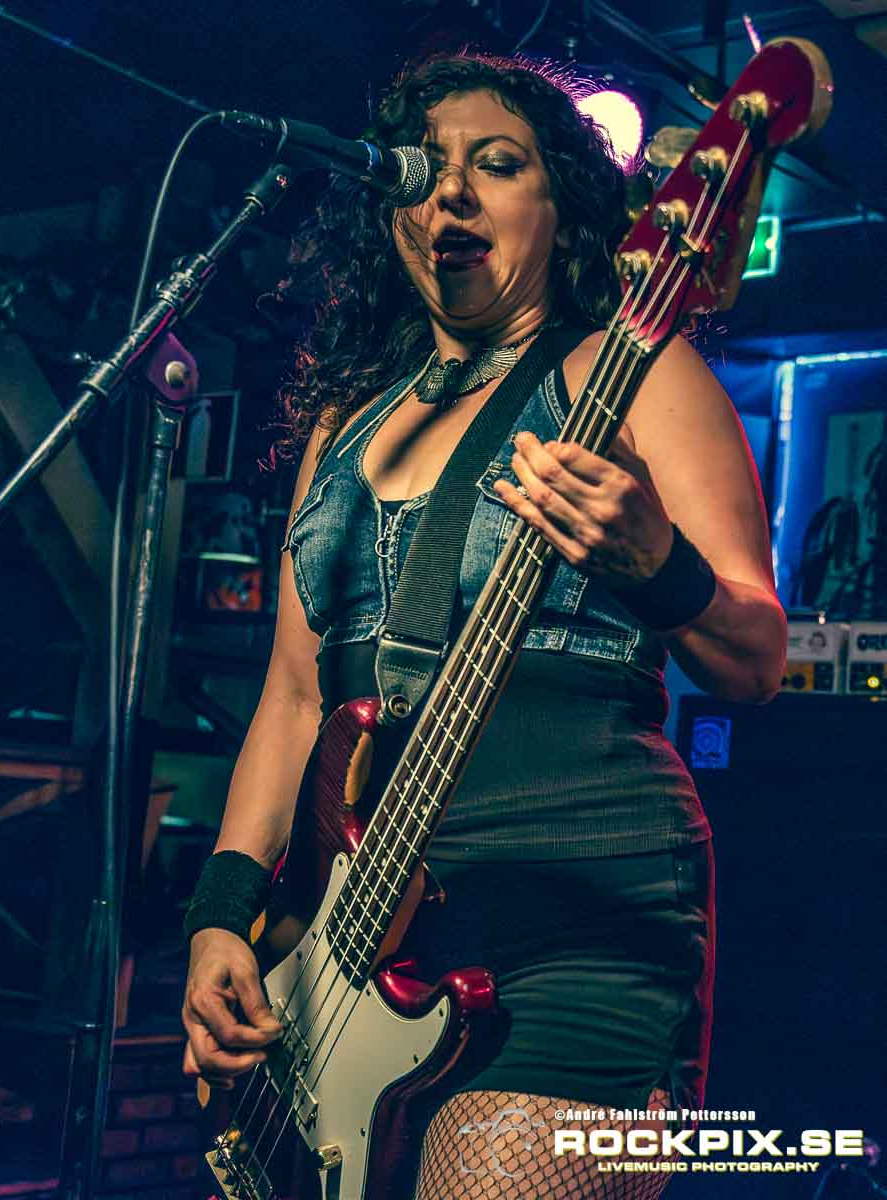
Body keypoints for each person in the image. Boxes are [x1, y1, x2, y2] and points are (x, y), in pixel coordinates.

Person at [180, 53, 787, 1199]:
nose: (450, 191)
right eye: (424, 168)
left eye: (497, 164)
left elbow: (758, 656)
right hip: (352, 946)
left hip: (578, 927)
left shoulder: (636, 375)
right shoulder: (344, 427)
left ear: (563, 208)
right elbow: (296, 701)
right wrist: (223, 917)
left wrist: (656, 563)